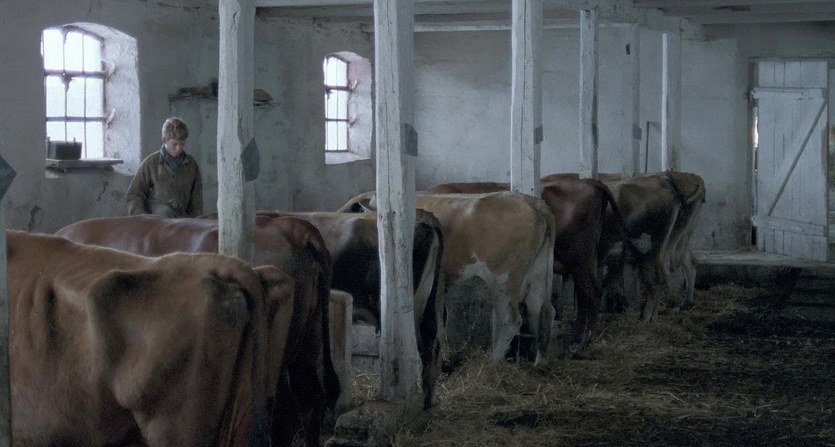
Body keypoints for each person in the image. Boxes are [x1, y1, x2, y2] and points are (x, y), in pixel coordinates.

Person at [126, 117, 203, 217]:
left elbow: (196, 198)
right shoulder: (151, 163)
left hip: (183, 221)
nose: (178, 148)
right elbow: (134, 195)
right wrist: (143, 219)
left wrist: (196, 220)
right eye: (174, 144)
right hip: (157, 222)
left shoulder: (191, 164)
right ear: (164, 140)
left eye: (182, 144)